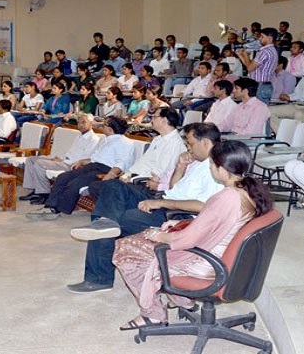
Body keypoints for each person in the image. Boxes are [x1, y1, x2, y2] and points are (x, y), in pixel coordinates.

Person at [111, 140, 273, 328]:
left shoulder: (226, 197)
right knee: (147, 237)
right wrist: (181, 223)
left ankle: (152, 314)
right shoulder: (247, 190)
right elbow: (218, 223)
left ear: (222, 169)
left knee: (126, 248)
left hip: (206, 263)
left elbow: (186, 240)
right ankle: (182, 300)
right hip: (223, 255)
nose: (210, 167)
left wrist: (159, 236)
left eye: (212, 164)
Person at [66, 123, 224, 294]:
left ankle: (98, 279)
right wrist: (181, 167)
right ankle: (105, 223)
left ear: (205, 142)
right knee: (112, 187)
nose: (188, 148)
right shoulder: (198, 162)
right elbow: (174, 189)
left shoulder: (217, 168)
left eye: (191, 144)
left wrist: (161, 203)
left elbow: (203, 206)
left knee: (118, 218)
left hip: (176, 216)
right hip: (165, 200)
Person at [26, 117, 133, 220]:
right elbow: (95, 157)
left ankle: (58, 210)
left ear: (110, 129)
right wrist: (82, 161)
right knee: (63, 177)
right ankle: (49, 206)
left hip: (104, 170)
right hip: (92, 166)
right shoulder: (105, 140)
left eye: (104, 125)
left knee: (75, 184)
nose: (101, 126)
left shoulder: (125, 142)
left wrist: (110, 175)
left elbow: (122, 163)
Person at [86, 108, 186, 203]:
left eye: (154, 117)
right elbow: (143, 161)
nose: (151, 120)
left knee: (105, 188)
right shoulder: (158, 139)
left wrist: (132, 179)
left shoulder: (175, 143)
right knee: (96, 187)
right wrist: (128, 174)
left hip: (148, 183)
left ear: (164, 120)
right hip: (137, 177)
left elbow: (161, 172)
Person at [19, 113, 101, 204]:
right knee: (31, 159)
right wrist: (60, 158)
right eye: (79, 122)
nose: (80, 125)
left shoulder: (93, 139)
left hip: (71, 165)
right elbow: (71, 152)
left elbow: (85, 159)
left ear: (91, 123)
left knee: (39, 163)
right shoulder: (79, 136)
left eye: (83, 122)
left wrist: (64, 161)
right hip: (64, 160)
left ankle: (44, 194)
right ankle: (35, 190)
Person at [237, 27, 278, 104]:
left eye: (262, 37)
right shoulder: (271, 50)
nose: (259, 39)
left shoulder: (265, 51)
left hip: (261, 87)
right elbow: (250, 66)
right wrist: (241, 56)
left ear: (269, 38)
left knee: (259, 109)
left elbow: (249, 68)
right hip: (262, 86)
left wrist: (245, 55)